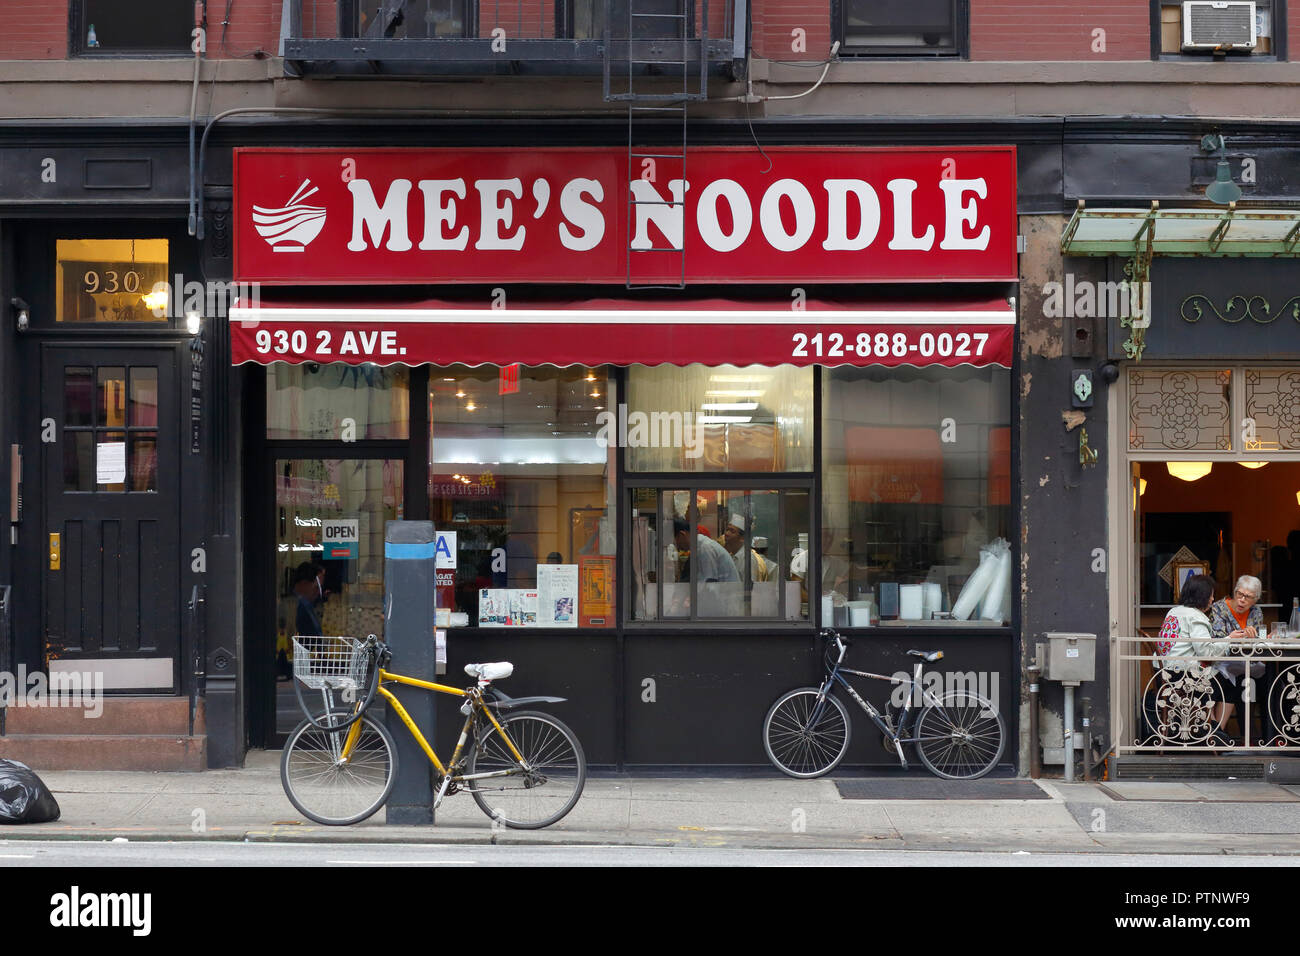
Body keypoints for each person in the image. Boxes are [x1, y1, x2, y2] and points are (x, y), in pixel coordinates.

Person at [1156, 573, 1232, 740]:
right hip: (1185, 678)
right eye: (1211, 595)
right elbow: (1206, 652)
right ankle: (1212, 732)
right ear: (1202, 596)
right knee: (1229, 684)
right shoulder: (1196, 617)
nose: (1213, 599)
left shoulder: (1174, 611)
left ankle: (1209, 728)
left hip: (1164, 676)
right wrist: (1230, 639)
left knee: (1220, 679)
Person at [722, 513, 771, 584]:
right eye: (727, 530)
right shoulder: (732, 556)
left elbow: (749, 589)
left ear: (742, 538)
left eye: (732, 531)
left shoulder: (748, 559)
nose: (727, 534)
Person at [292, 562, 323, 637]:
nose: (319, 592)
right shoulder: (295, 606)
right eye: (316, 588)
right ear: (304, 584)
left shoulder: (307, 605)